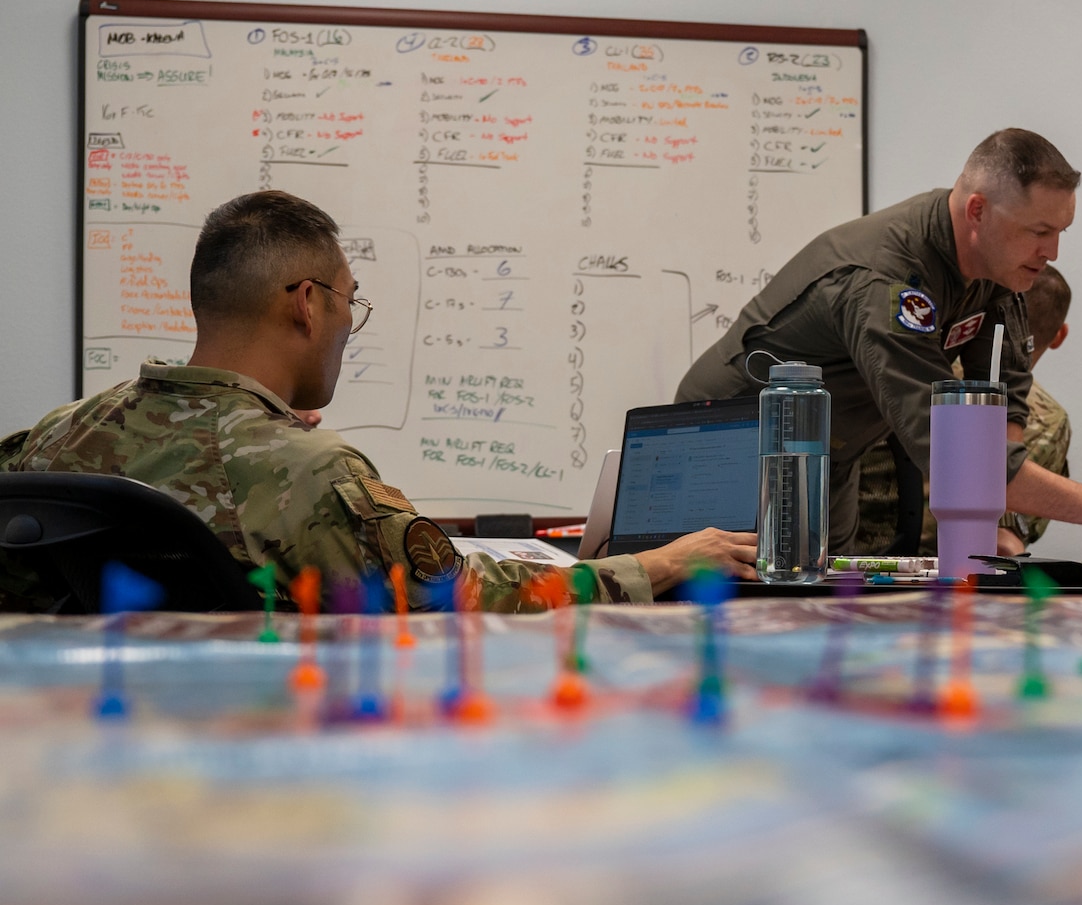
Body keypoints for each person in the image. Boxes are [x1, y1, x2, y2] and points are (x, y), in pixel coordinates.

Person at [0, 191, 754, 613]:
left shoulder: (55, 437)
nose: (346, 328)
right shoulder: (312, 473)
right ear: (304, 303)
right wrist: (657, 563)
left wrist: (271, 441)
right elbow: (469, 599)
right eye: (348, 304)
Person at [679, 128, 1082, 551]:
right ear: (977, 212)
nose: (1052, 251)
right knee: (729, 613)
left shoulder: (997, 266)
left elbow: (1006, 390)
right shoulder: (887, 282)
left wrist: (996, 489)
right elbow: (957, 456)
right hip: (735, 446)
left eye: (1061, 231)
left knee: (819, 613)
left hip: (825, 456)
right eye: (1038, 231)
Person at [852, 263, 1075, 556]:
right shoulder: (1051, 421)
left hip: (856, 562)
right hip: (958, 572)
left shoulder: (909, 378)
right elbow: (1005, 543)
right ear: (1060, 336)